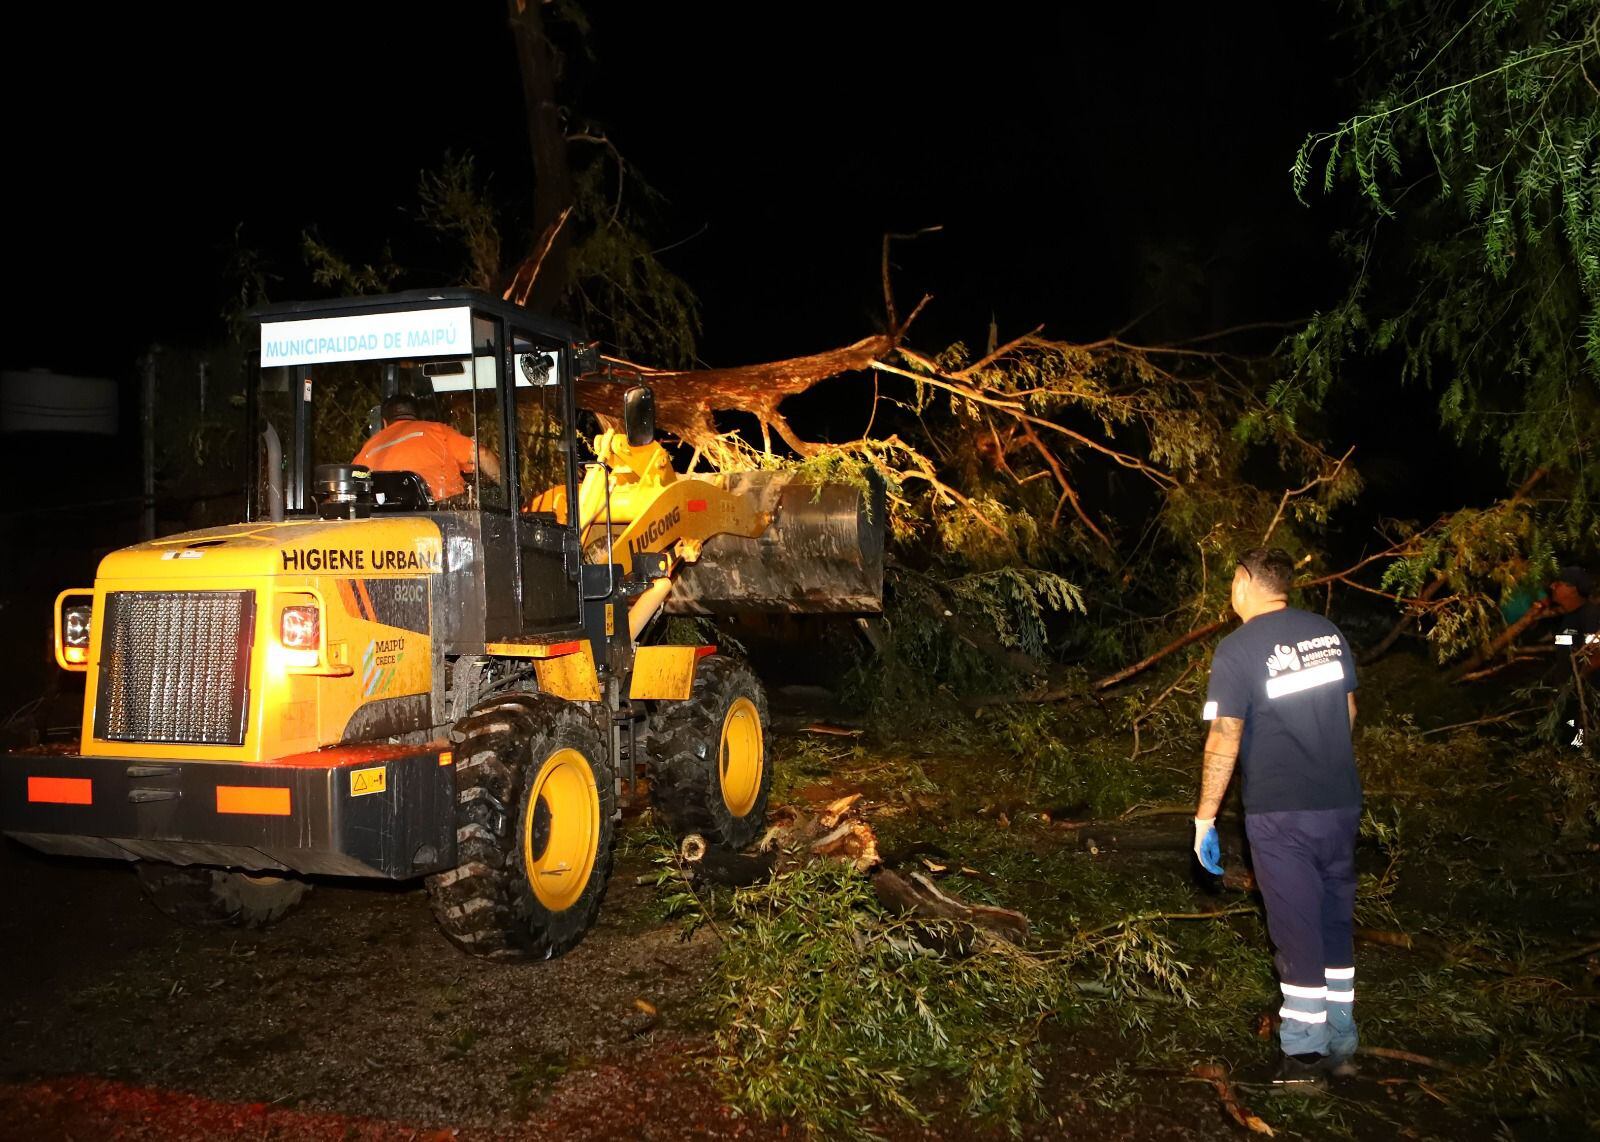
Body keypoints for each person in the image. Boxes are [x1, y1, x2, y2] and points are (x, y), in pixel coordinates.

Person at [1192, 547, 1361, 1087]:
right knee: (1334, 913)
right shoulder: (1327, 632)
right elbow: (1350, 711)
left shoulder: (1237, 649)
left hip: (1281, 812)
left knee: (1295, 925)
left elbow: (1224, 735)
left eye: (1231, 581)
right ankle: (1343, 1034)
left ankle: (1304, 1057)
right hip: (1339, 803)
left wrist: (1204, 819)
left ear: (1244, 582)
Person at [353, 394, 501, 502]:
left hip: (389, 527)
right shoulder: (436, 431)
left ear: (384, 422)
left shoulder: (368, 448)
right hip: (445, 517)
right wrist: (509, 492)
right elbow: (483, 454)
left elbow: (349, 485)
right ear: (418, 416)